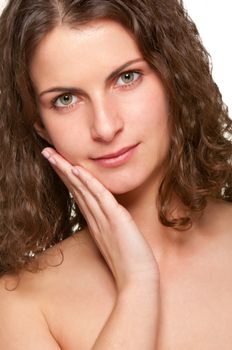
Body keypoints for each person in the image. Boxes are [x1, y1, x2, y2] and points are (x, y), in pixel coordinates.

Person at [0, 0, 231, 348]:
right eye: (65, 99)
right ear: (41, 126)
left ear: (173, 77)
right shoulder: (22, 305)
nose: (105, 127)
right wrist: (137, 285)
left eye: (127, 78)